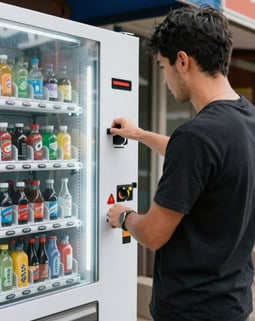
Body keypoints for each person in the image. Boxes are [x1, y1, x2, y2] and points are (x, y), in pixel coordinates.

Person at [107, 5, 255, 321]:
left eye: (162, 67)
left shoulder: (196, 136)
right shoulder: (247, 120)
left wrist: (124, 216)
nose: (164, 80)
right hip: (233, 304)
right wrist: (140, 134)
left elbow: (153, 233)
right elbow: (212, 162)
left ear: (182, 61)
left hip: (190, 310)